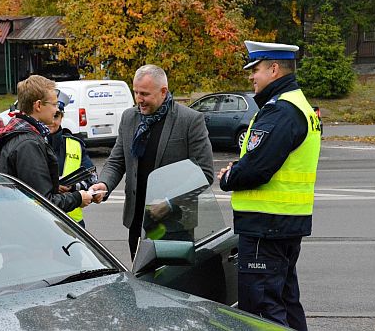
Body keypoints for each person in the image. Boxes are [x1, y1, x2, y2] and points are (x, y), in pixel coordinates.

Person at [218, 41, 321, 330]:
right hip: (283, 224)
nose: (251, 77)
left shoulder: (281, 111)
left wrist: (229, 176)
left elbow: (257, 167)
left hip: (266, 227)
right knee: (286, 304)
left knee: (262, 311)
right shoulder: (298, 106)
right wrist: (241, 168)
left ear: (274, 69)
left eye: (256, 70)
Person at [90, 64, 214, 260]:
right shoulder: (129, 117)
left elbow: (204, 173)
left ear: (163, 91)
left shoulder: (190, 120)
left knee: (170, 287)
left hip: (174, 225)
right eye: (136, 92)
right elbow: (117, 160)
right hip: (137, 221)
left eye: (145, 94)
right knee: (140, 284)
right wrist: (104, 184)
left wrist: (169, 203)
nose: (139, 99)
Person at [0, 75, 92, 213]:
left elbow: (28, 189)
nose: (56, 110)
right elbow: (43, 202)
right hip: (25, 230)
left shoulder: (18, 135)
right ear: (38, 105)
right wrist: (78, 198)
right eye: (54, 104)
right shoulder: (28, 143)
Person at [47, 105, 98, 228]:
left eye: (56, 116)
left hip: (73, 223)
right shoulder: (31, 143)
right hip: (42, 221)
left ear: (61, 117)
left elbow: (92, 179)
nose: (52, 121)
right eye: (50, 116)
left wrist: (72, 186)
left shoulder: (75, 144)